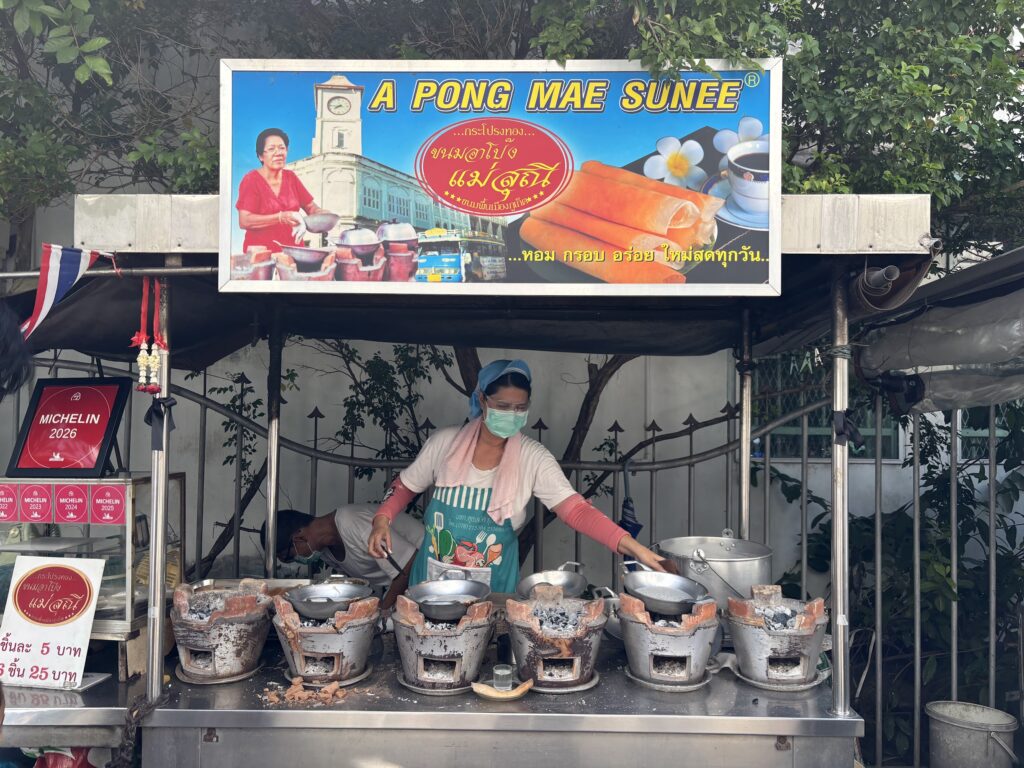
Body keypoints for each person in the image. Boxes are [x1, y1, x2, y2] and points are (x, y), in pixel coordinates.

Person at [368, 359, 670, 593]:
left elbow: (577, 511)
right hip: (430, 586)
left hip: (494, 591)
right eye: (502, 406)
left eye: (519, 408)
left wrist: (637, 549)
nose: (511, 414)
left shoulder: (532, 457)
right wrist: (382, 519)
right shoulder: (444, 444)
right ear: (482, 400)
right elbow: (405, 486)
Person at [263, 505, 423, 590]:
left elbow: (408, 566)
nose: (296, 560)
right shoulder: (325, 552)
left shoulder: (353, 523)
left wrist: (384, 609)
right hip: (412, 586)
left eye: (289, 557)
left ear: (299, 539)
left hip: (429, 568)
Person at [235, 127, 327, 253]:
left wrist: (321, 214)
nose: (278, 153)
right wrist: (281, 217)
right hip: (261, 254)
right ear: (261, 156)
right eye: (271, 149)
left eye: (282, 148)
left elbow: (310, 207)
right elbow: (245, 220)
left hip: (294, 252)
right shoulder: (251, 180)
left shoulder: (291, 178)